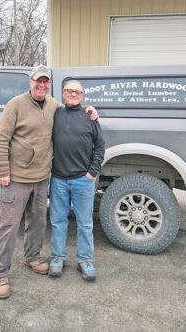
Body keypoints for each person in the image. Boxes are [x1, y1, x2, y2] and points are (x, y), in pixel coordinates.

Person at [0, 66, 97, 299]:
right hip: (16, 178)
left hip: (41, 178)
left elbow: (73, 108)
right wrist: (2, 171)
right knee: (8, 226)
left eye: (45, 81)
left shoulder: (53, 106)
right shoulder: (15, 105)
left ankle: (32, 258)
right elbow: (0, 139)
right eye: (38, 80)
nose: (41, 85)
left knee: (37, 223)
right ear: (31, 81)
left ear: (49, 84)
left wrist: (89, 109)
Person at [48, 80, 105, 281]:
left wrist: (92, 172)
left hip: (83, 179)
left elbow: (100, 146)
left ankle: (85, 260)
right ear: (63, 93)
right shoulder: (55, 114)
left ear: (82, 95)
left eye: (78, 92)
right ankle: (57, 257)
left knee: (85, 223)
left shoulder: (90, 116)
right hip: (58, 179)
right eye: (70, 91)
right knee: (57, 221)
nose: (73, 94)